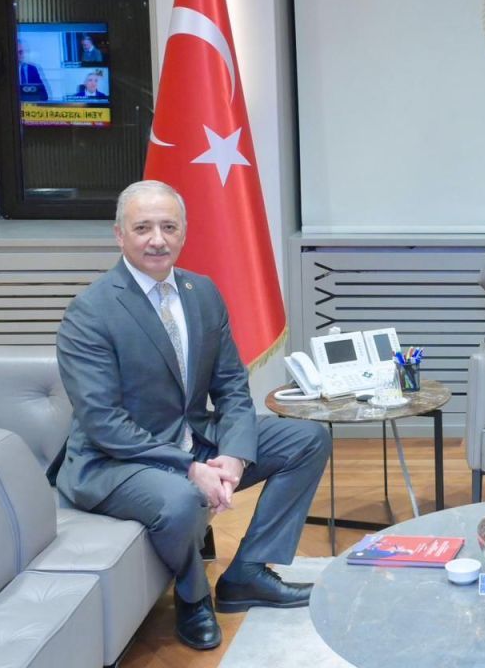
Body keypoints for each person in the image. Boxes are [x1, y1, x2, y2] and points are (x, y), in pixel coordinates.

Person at [55, 180, 330, 651]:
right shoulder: (91, 312)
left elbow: (231, 387)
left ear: (184, 232)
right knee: (184, 497)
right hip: (116, 461)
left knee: (306, 439)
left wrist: (235, 455)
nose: (157, 239)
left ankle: (247, 572)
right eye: (142, 228)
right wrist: (190, 467)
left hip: (192, 438)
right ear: (119, 234)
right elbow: (102, 422)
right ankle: (193, 598)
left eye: (168, 227)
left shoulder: (201, 292)